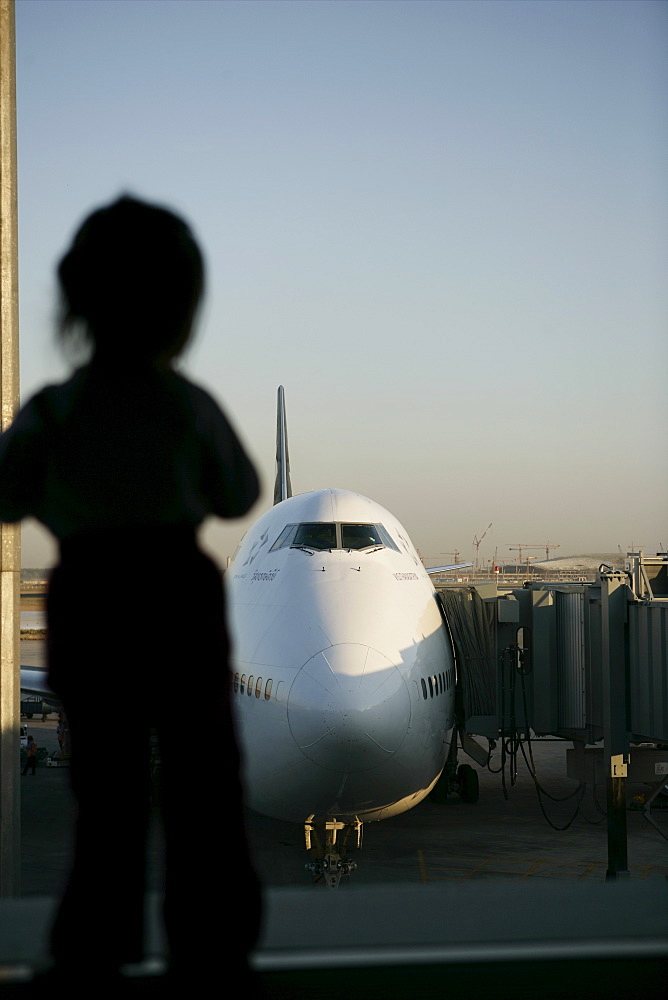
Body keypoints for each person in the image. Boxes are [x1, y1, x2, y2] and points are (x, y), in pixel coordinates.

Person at [0, 195, 261, 984]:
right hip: (177, 592)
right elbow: (239, 493)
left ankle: (92, 950)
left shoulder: (55, 410)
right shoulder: (188, 405)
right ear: (185, 315)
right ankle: (213, 947)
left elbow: (6, 495)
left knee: (105, 795)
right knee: (203, 789)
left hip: (89, 592)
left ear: (75, 307)